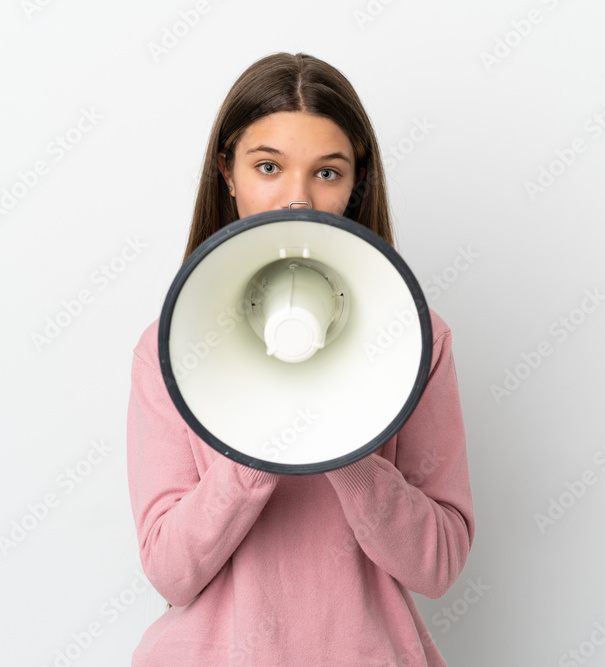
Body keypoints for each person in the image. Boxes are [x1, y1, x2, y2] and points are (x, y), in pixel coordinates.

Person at [126, 52, 474, 666]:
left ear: (356, 183)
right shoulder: (170, 349)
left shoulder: (418, 340)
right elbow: (171, 573)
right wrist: (258, 444)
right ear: (227, 172)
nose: (298, 199)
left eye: (328, 173)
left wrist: (345, 439)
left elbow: (438, 565)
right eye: (268, 167)